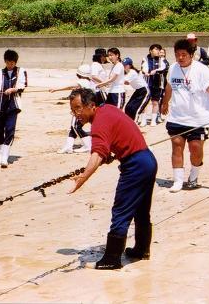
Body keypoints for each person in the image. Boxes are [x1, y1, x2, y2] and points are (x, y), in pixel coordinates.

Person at [68, 88, 158, 269]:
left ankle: (112, 259)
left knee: (121, 211)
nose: (76, 113)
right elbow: (117, 136)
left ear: (91, 106)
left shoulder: (98, 123)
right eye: (73, 109)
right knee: (140, 210)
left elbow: (98, 153)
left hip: (136, 165)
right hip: (147, 160)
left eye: (78, 108)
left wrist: (83, 177)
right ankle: (141, 250)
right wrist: (111, 155)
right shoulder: (108, 109)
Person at [161, 39, 209, 193]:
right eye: (177, 55)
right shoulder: (173, 68)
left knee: (195, 149)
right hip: (177, 117)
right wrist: (165, 103)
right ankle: (177, 181)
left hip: (198, 119)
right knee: (177, 147)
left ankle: (193, 177)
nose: (180, 58)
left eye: (183, 54)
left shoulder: (202, 70)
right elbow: (169, 87)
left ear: (191, 55)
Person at [0, 49, 27, 168]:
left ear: (15, 62)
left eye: (12, 63)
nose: (10, 65)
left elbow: (23, 85)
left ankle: (5, 157)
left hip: (13, 106)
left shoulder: (21, 71)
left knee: (10, 130)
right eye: (8, 62)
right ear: (5, 61)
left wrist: (13, 89)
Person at [50, 64, 93, 154]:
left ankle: (88, 145)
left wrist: (56, 89)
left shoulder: (83, 81)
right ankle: (68, 146)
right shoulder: (89, 82)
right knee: (73, 127)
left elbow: (71, 85)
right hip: (85, 107)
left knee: (75, 126)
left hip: (81, 109)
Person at [140, 44, 168, 126]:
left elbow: (163, 68)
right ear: (150, 51)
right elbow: (143, 68)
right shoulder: (145, 59)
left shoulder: (161, 59)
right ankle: (143, 119)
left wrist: (155, 71)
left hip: (157, 83)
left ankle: (153, 120)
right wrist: (145, 72)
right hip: (147, 83)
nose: (158, 51)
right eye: (156, 49)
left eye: (159, 49)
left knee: (155, 102)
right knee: (145, 102)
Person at [122, 57, 150, 123]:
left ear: (130, 65)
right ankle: (129, 123)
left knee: (136, 109)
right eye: (122, 65)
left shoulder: (132, 72)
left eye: (125, 65)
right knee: (128, 107)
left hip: (144, 91)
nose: (123, 66)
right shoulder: (126, 73)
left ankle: (134, 125)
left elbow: (126, 82)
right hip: (138, 91)